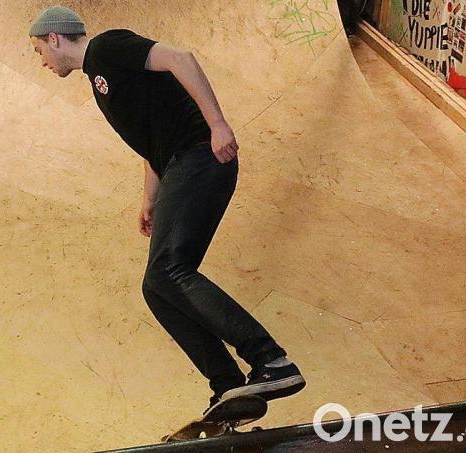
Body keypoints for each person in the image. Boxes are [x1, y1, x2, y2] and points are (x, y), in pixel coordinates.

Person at [28, 6, 305, 419]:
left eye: (39, 51)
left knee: (169, 270)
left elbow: (181, 59)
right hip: (179, 163)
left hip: (200, 154)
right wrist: (150, 200)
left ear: (54, 38)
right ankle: (230, 388)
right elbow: (152, 146)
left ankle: (271, 360)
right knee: (157, 287)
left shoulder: (107, 46)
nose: (41, 61)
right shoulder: (101, 83)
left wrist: (218, 124)